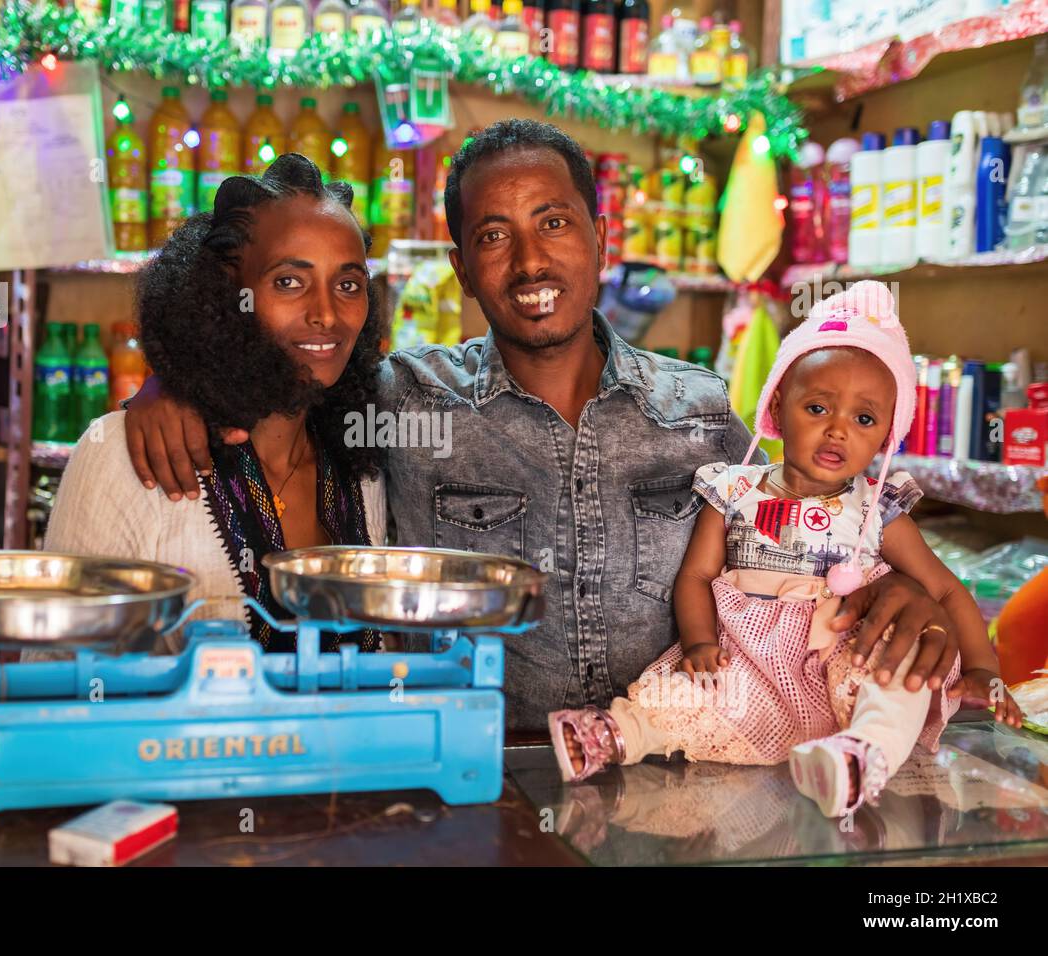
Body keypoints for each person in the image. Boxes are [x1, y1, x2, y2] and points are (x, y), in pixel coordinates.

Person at [121, 119, 962, 730]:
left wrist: (890, 587)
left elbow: (812, 527)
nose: (529, 262)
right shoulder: (404, 401)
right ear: (460, 270)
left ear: (601, 236)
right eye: (494, 235)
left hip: (681, 771)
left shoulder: (702, 414)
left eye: (554, 223)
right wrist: (174, 384)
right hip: (486, 780)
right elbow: (291, 368)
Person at [550, 281, 1023, 817]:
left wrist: (983, 669)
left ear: (888, 435)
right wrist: (701, 641)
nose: (837, 431)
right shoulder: (733, 491)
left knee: (900, 676)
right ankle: (613, 737)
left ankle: (858, 757)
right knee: (689, 696)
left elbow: (944, 589)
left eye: (864, 419)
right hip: (750, 659)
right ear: (777, 405)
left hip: (847, 657)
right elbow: (696, 577)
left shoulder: (878, 512)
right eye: (818, 407)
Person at [42, 153, 386, 652]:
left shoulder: (361, 464)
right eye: (289, 281)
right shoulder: (123, 456)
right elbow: (57, 679)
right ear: (225, 296)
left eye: (348, 284)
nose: (327, 314)